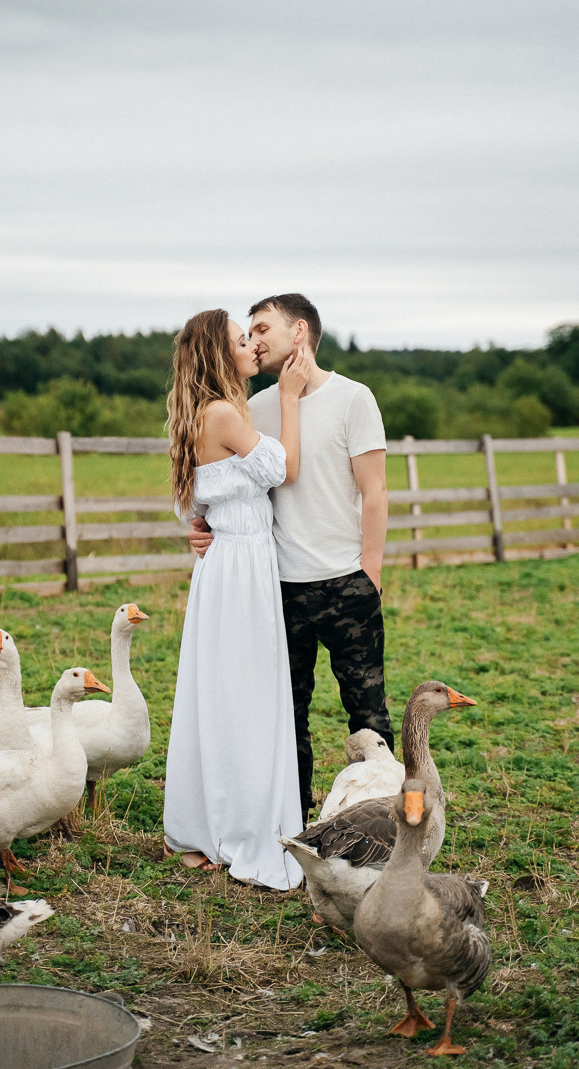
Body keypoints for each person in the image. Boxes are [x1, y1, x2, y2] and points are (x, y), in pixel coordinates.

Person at [189, 293, 393, 823]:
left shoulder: (355, 398)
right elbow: (228, 485)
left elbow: (374, 491)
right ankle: (296, 825)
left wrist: (370, 569)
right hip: (278, 586)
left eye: (262, 329)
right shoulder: (252, 408)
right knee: (286, 715)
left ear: (298, 332)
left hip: (348, 581)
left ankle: (384, 820)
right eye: (248, 334)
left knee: (369, 712)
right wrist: (205, 527)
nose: (254, 341)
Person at [162, 308, 311, 890]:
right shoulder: (224, 413)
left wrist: (201, 526)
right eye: (240, 339)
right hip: (242, 567)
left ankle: (205, 827)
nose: (252, 345)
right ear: (219, 355)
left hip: (226, 565)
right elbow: (285, 468)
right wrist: (291, 396)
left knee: (219, 693)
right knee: (244, 695)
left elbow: (191, 506)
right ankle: (242, 826)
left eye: (253, 336)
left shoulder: (206, 415)